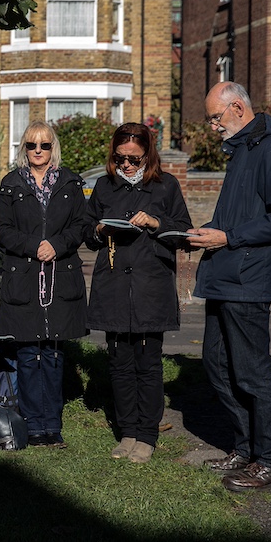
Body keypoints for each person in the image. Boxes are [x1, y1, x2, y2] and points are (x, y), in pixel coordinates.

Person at [189, 81, 271, 491]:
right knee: (217, 365)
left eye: (216, 117)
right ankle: (247, 448)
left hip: (249, 280)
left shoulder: (269, 148)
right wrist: (210, 231)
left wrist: (228, 237)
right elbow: (239, 216)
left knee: (253, 372)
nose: (213, 126)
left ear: (237, 108)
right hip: (226, 276)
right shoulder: (242, 149)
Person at [84, 123, 193, 463]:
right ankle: (127, 431)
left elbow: (185, 232)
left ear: (148, 154)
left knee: (147, 363)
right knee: (118, 362)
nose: (127, 165)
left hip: (151, 287)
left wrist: (157, 222)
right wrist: (100, 229)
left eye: (134, 158)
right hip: (114, 285)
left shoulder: (166, 185)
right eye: (120, 159)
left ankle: (146, 434)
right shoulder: (104, 186)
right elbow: (86, 235)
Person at [0, 120, 87, 448]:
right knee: (29, 352)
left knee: (54, 352)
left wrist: (57, 245)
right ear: (23, 148)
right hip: (24, 277)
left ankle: (53, 425)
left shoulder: (71, 182)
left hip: (60, 277)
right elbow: (2, 230)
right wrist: (33, 245)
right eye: (31, 145)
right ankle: (33, 426)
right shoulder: (11, 183)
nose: (37, 151)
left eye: (44, 145)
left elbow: (81, 226)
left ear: (53, 148)